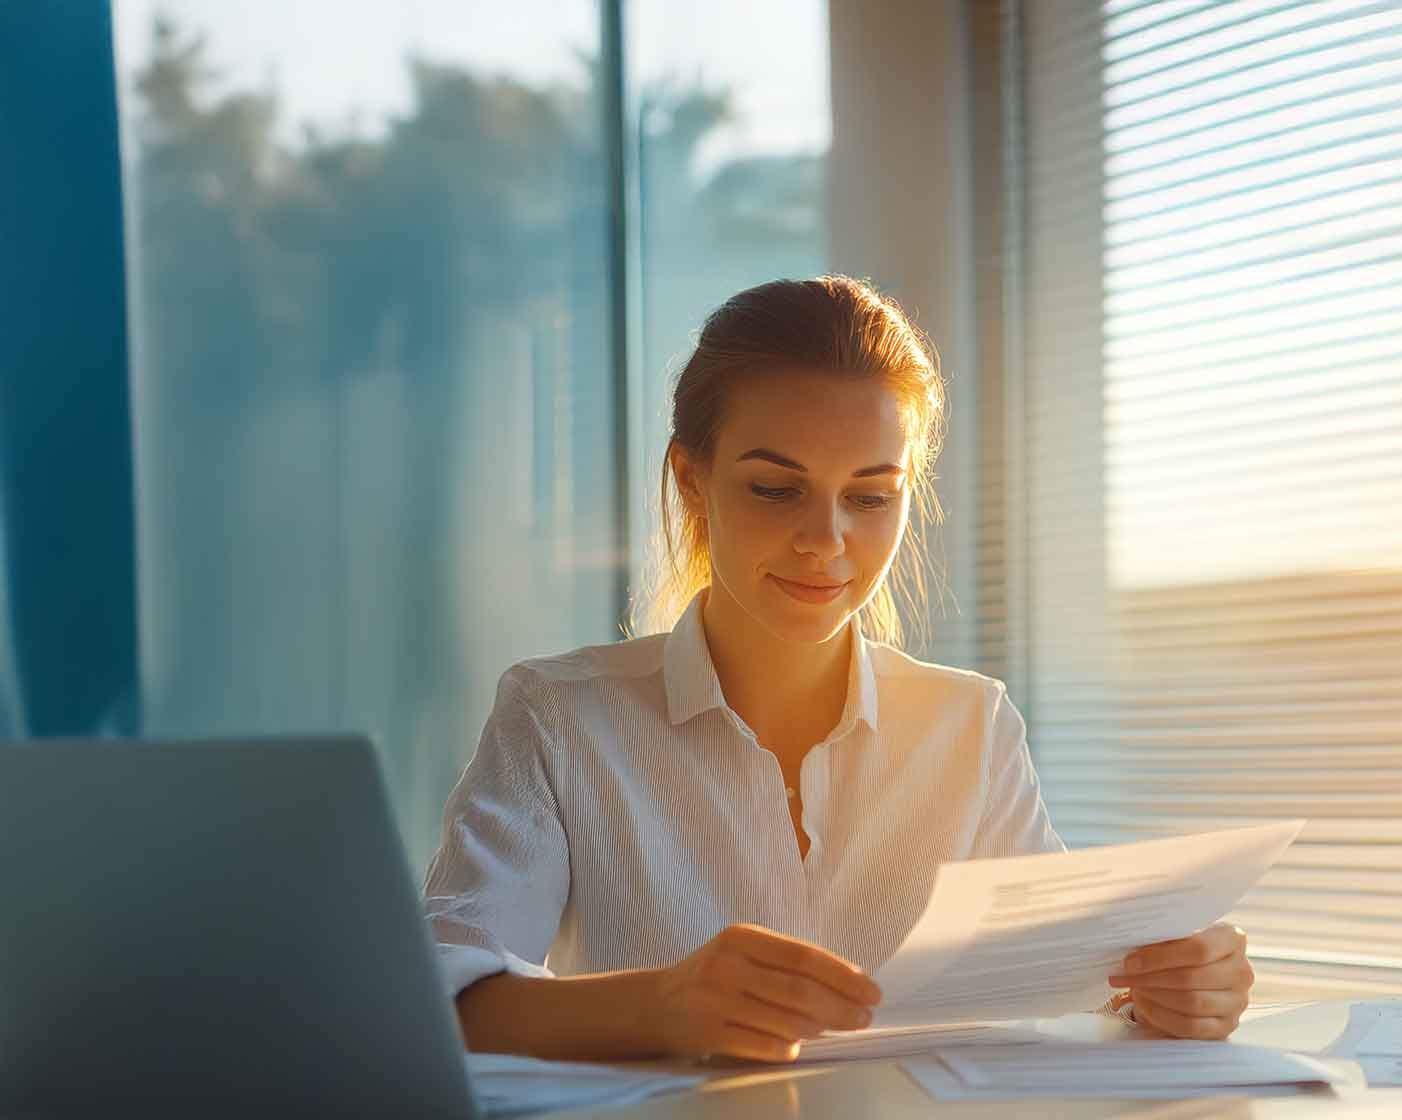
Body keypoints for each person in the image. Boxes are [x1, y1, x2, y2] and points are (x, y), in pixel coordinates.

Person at [422, 276, 1254, 1063]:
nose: (826, 541)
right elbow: (438, 999)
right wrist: (662, 1004)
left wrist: (1164, 997)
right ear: (692, 483)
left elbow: (1065, 990)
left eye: (869, 496)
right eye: (777, 490)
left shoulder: (971, 723)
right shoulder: (561, 717)